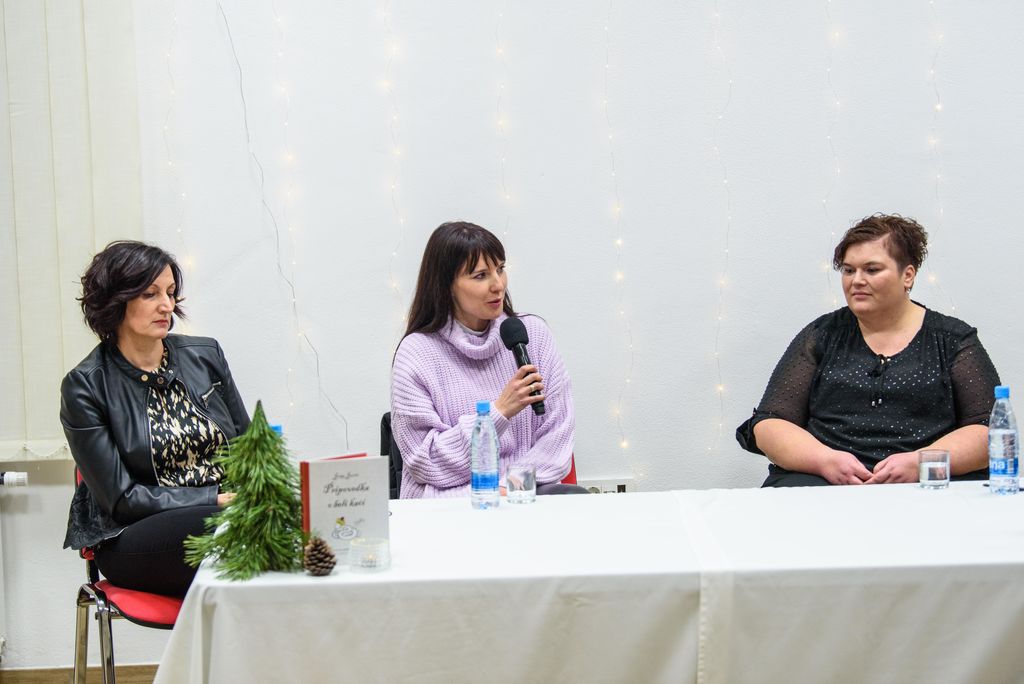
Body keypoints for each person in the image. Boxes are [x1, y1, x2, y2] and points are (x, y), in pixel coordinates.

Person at [736, 214, 1000, 487]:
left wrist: (921, 463)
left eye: (871, 270)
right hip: (822, 481)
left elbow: (990, 432)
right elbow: (768, 424)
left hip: (925, 484)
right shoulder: (821, 334)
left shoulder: (953, 338)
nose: (857, 280)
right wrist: (824, 460)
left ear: (908, 275)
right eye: (849, 270)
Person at [61, 241, 250, 596]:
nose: (167, 305)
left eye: (171, 292)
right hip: (133, 535)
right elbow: (122, 500)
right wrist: (215, 499)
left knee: (289, 514)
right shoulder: (85, 386)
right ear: (115, 301)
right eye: (150, 294)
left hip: (226, 515)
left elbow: (247, 448)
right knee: (233, 529)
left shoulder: (205, 355)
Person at [391, 221, 585, 497]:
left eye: (500, 269)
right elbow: (424, 461)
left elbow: (555, 442)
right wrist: (499, 412)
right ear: (446, 286)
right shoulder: (416, 353)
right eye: (481, 275)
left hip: (521, 497)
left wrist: (507, 488)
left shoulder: (533, 335)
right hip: (448, 507)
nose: (498, 285)